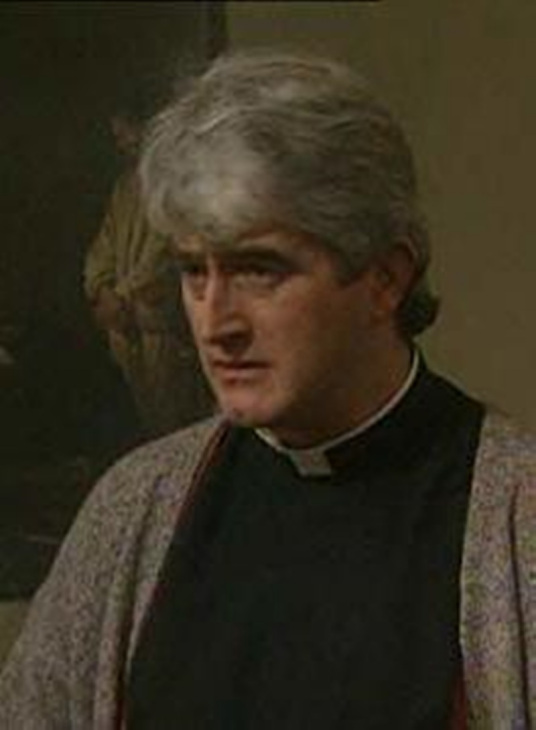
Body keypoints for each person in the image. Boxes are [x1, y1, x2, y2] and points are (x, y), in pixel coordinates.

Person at [0, 51, 534, 729]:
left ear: (386, 278)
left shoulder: (518, 515)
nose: (215, 323)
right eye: (194, 272)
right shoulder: (134, 507)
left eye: (259, 269)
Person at [84, 101, 212, 438]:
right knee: (148, 421)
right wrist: (101, 288)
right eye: (117, 136)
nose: (123, 142)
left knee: (178, 422)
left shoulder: (175, 184)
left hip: (159, 322)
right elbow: (105, 243)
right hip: (127, 327)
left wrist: (123, 296)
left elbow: (166, 251)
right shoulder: (124, 186)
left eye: (128, 132)